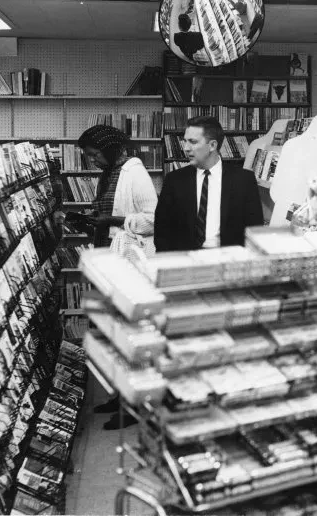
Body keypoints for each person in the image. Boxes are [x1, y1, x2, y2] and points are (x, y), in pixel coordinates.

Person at [77, 124, 158, 430]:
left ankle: (134, 405)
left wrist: (112, 220)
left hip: (129, 265)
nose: (92, 160)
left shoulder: (134, 173)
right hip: (110, 263)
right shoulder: (110, 173)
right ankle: (120, 394)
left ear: (110, 149)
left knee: (130, 336)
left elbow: (153, 220)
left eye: (95, 154)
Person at [154, 116, 263, 251]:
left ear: (212, 145)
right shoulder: (174, 180)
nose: (186, 148)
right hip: (186, 260)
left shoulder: (244, 180)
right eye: (185, 141)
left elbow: (255, 231)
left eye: (193, 142)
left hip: (228, 260)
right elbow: (162, 233)